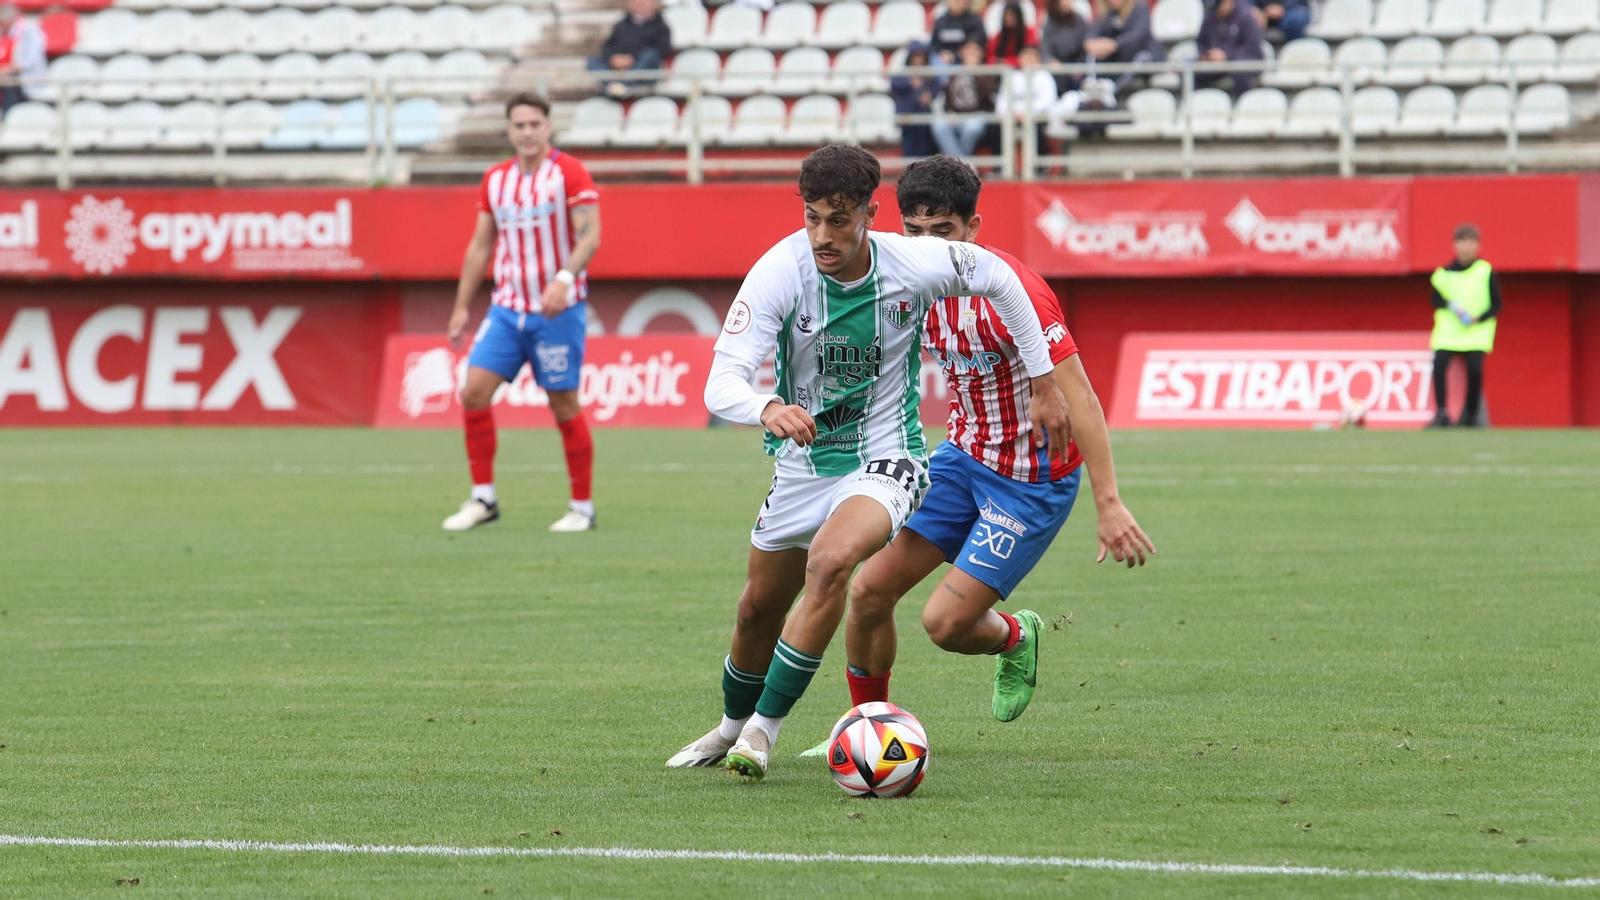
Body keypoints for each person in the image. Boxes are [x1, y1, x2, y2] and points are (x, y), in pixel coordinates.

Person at [664, 145, 1071, 779]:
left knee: (831, 564)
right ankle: (728, 728)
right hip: (802, 467)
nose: (823, 236)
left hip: (889, 457)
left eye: (838, 219)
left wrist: (1044, 381)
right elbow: (722, 382)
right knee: (756, 610)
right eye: (812, 218)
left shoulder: (912, 260)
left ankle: (763, 735)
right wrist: (766, 406)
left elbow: (1003, 279)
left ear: (869, 214)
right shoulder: (779, 271)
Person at [794, 155, 1152, 742]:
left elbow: (1082, 399)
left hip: (1030, 481)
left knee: (945, 624)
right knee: (867, 590)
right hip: (960, 462)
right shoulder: (905, 283)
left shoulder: (1018, 293)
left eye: (945, 232)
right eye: (915, 232)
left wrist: (1109, 503)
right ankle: (868, 730)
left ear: (974, 230)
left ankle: (1016, 636)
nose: (929, 246)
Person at [443, 94, 603, 534]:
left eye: (535, 123)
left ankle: (582, 507)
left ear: (548, 126)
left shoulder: (568, 171)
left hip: (557, 311)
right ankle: (483, 498)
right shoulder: (495, 179)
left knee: (563, 404)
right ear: (509, 130)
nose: (528, 131)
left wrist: (564, 279)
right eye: (519, 124)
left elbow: (590, 235)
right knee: (473, 391)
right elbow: (480, 245)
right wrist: (461, 306)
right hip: (507, 310)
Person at [1427, 223, 1501, 429]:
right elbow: (1434, 300)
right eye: (1462, 241)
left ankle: (1471, 414)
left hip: (1476, 332)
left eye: (1470, 242)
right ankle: (1442, 413)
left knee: (1475, 370)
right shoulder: (1443, 273)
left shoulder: (1485, 270)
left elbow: (1497, 303)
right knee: (1439, 365)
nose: (1466, 247)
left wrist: (1479, 318)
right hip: (1448, 333)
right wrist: (1450, 305)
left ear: (1477, 245)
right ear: (1455, 245)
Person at [587, 0, 672, 98]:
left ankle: (623, 85)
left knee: (650, 54)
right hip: (620, 67)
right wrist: (613, 58)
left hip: (643, 69)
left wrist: (631, 59)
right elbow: (608, 46)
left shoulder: (661, 26)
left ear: (654, 4)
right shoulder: (621, 25)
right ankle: (615, 85)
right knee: (592, 61)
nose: (639, 3)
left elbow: (664, 50)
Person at [932, 40, 999, 157]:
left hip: (978, 114)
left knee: (972, 128)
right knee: (939, 126)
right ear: (961, 53)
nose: (971, 53)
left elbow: (987, 94)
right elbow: (948, 97)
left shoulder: (986, 72)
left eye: (975, 50)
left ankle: (957, 163)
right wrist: (950, 113)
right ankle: (962, 163)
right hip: (955, 115)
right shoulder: (954, 72)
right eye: (968, 50)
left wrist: (974, 71)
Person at [1084, 0, 1166, 91]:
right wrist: (1093, 44)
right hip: (1117, 57)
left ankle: (1111, 89)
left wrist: (1115, 44)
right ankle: (1092, 87)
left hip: (1140, 53)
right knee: (1092, 54)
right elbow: (1092, 34)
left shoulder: (1140, 8)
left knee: (1141, 57)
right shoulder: (1106, 12)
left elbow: (1138, 36)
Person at [996, 44, 1057, 154]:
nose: (1029, 60)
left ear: (1038, 60)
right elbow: (1002, 101)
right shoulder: (1012, 76)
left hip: (1037, 116)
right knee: (994, 127)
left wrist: (1026, 112)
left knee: (1036, 126)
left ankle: (1039, 166)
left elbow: (1048, 101)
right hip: (1013, 116)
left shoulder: (1044, 76)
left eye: (1032, 57)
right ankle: (1000, 167)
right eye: (1026, 56)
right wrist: (1013, 113)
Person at [1197, 0, 1264, 97]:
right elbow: (1201, 42)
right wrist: (1206, 55)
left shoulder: (1245, 16)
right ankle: (1196, 106)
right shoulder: (1210, 16)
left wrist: (1226, 55)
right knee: (1193, 71)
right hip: (1215, 64)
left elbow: (1253, 50)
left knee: (1240, 71)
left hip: (1241, 62)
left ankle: (1242, 106)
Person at [890, 41, 942, 158]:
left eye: (921, 56)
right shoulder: (903, 75)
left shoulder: (929, 75)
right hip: (907, 119)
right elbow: (894, 83)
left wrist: (929, 94)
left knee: (927, 147)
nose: (919, 60)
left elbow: (938, 87)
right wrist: (910, 82)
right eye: (916, 56)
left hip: (926, 119)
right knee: (911, 148)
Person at [0, 4, 45, 114]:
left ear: (9, 21)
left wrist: (7, 70)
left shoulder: (30, 33)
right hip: (5, 74)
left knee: (9, 84)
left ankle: (8, 118)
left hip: (25, 79)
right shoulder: (3, 33)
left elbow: (28, 62)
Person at [1040, 0, 1091, 92]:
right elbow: (1045, 48)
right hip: (1058, 66)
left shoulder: (1078, 20)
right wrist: (1051, 60)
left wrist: (1079, 66)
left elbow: (1085, 46)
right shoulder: (1050, 22)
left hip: (1076, 65)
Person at [988, 2, 1037, 68]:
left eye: (1011, 15)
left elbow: (1030, 56)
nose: (1008, 18)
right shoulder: (999, 36)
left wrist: (1007, 62)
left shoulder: (1028, 33)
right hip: (1003, 73)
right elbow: (991, 58)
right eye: (1006, 15)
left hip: (1024, 71)